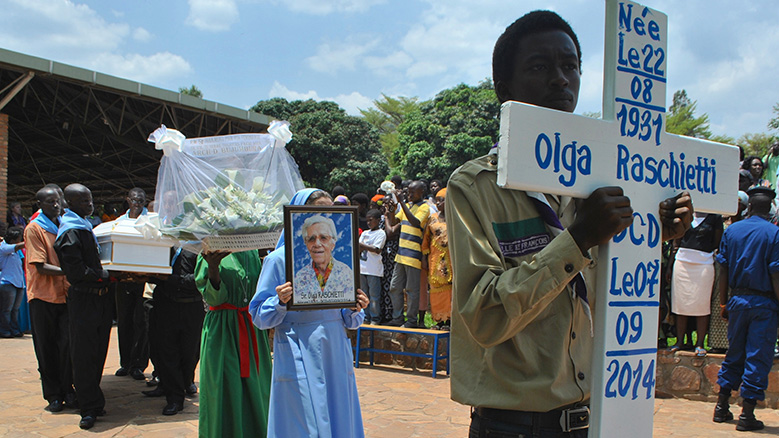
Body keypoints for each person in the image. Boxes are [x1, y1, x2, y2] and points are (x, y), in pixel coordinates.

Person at [447, 11, 693, 437]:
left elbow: (609, 297)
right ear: (505, 89)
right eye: (540, 67)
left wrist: (653, 237)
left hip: (596, 420)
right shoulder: (475, 186)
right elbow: (484, 317)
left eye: (570, 66)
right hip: (515, 426)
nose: (561, 79)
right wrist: (578, 239)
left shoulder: (601, 185)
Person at [249, 188, 369, 438]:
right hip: (296, 346)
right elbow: (259, 316)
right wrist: (280, 301)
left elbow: (350, 319)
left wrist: (355, 307)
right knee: (302, 420)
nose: (318, 242)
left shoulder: (344, 266)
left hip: (334, 347)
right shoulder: (279, 261)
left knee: (338, 412)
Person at [713, 186, 779, 431]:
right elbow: (775, 274)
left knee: (734, 353)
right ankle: (747, 414)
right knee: (757, 356)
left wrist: (723, 303)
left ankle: (721, 407)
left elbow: (724, 269)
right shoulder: (774, 233)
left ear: (749, 207)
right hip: (764, 304)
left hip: (737, 302)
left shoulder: (733, 231)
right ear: (770, 209)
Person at [54, 183, 116, 430]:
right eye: (83, 201)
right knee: (84, 354)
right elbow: (76, 272)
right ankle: (87, 406)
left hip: (100, 299)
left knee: (98, 351)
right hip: (84, 299)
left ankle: (94, 399)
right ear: (70, 203)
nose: (89, 205)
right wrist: (106, 274)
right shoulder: (70, 232)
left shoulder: (86, 227)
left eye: (90, 200)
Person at [195, 248, 271, 437]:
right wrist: (213, 267)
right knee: (224, 389)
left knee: (257, 390)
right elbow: (213, 298)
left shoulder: (252, 252)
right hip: (222, 329)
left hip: (251, 326)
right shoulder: (207, 250)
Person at [25, 186, 76, 412]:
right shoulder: (35, 229)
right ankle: (53, 394)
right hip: (43, 297)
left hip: (64, 297)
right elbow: (39, 265)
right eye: (50, 202)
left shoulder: (64, 226)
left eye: (58, 201)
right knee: (46, 348)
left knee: (66, 347)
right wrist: (71, 271)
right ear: (40, 205)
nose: (56, 205)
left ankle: (68, 389)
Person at [143, 248, 204, 416]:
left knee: (189, 353)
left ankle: (185, 382)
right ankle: (174, 398)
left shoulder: (196, 248)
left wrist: (170, 279)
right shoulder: (163, 248)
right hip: (166, 306)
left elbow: (199, 279)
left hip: (191, 307)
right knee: (167, 353)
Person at [669, 213, 723, 356]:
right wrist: (669, 266)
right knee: (680, 302)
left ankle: (699, 343)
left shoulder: (715, 217)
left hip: (704, 263)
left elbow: (717, 242)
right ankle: (679, 341)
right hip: (682, 262)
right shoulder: (685, 214)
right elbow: (676, 241)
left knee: (702, 304)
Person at [114, 187, 150, 380]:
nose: (138, 203)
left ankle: (139, 364)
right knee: (124, 321)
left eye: (141, 201)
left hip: (143, 279)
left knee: (141, 322)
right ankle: (125, 362)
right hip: (123, 279)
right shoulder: (119, 222)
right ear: (127, 200)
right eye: (135, 200)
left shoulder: (151, 221)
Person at [385, 180, 430, 327]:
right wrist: (391, 210)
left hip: (413, 256)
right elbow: (393, 222)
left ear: (421, 192)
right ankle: (398, 318)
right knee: (395, 287)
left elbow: (415, 222)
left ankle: (411, 320)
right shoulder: (408, 206)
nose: (409, 195)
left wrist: (402, 203)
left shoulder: (424, 207)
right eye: (408, 192)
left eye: (413, 192)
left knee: (411, 290)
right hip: (401, 254)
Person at [421, 188, 452, 329]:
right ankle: (438, 320)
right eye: (437, 200)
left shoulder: (456, 218)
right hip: (434, 259)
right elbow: (426, 238)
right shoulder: (432, 218)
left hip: (450, 261)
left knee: (449, 291)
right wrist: (423, 257)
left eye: (442, 200)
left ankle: (450, 321)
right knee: (435, 290)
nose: (439, 203)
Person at [359, 208, 386, 324]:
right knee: (364, 294)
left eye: (371, 220)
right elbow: (359, 247)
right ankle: (365, 317)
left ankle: (375, 318)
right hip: (362, 268)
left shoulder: (381, 233)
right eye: (367, 221)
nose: (369, 223)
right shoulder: (365, 233)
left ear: (378, 220)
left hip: (373, 269)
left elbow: (377, 249)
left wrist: (362, 245)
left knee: (374, 296)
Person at [0, 226, 26, 338]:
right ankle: (5, 330)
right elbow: (16, 246)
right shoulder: (3, 248)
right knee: (7, 310)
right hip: (7, 283)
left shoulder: (17, 252)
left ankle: (14, 329)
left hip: (18, 283)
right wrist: (29, 240)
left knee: (15, 310)